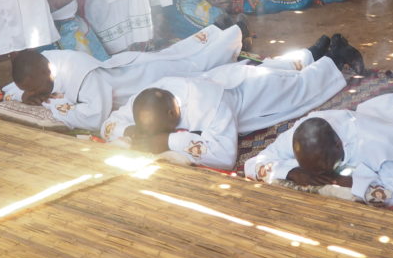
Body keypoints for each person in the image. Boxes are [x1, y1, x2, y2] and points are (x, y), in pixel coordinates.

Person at [102, 45, 348, 170]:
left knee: (301, 87)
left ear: (171, 113)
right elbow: (109, 124)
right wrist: (129, 131)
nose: (152, 134)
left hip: (251, 94)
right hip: (221, 77)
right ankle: (312, 51)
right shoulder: (147, 100)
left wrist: (168, 140)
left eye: (159, 129)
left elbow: (225, 157)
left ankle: (337, 56)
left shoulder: (208, 104)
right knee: (277, 67)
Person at [244, 80, 393, 207]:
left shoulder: (378, 143)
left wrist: (348, 182)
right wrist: (293, 172)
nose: (317, 178)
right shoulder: (301, 133)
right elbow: (253, 163)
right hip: (383, 110)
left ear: (338, 145)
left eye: (322, 170)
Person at [5, 24, 244, 132]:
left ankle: (234, 33)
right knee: (181, 55)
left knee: (195, 64)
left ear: (46, 73)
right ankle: (222, 35)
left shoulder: (84, 76)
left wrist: (54, 105)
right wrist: (26, 96)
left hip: (143, 78)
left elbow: (94, 119)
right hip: (124, 68)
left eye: (34, 89)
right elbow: (13, 89)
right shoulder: (41, 61)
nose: (33, 93)